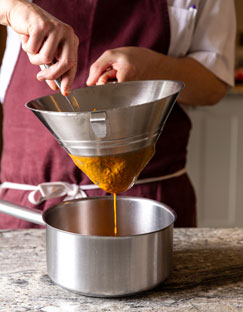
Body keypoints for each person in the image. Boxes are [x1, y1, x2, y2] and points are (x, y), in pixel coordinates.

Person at [0, 0, 236, 228]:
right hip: (30, 205)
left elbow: (213, 86)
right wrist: (12, 9)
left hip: (147, 205)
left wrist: (151, 67)